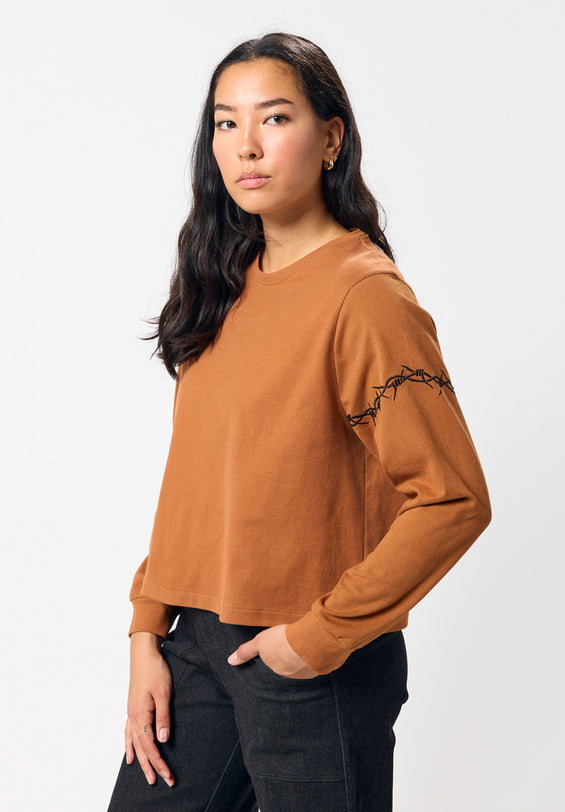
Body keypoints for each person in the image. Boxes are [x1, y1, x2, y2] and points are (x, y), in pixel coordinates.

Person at [107, 31, 492, 812]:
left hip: (313, 661)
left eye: (274, 118)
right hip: (198, 651)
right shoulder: (223, 283)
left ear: (330, 138)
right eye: (225, 122)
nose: (245, 145)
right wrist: (150, 633)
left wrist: (314, 640)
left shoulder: (365, 296)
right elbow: (198, 478)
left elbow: (453, 500)